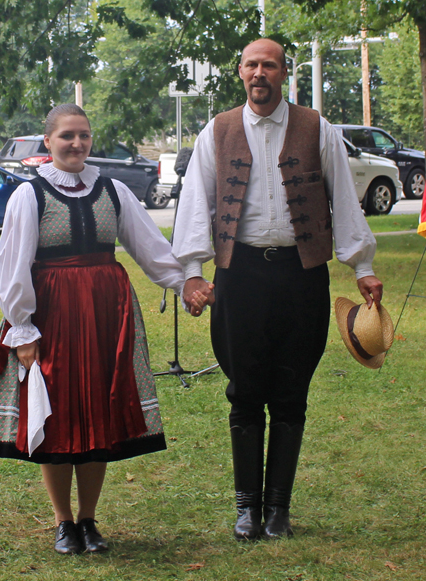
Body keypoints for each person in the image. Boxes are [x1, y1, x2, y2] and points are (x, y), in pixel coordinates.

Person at [172, 39, 383, 541]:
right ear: (240, 72)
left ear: (285, 73)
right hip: (239, 275)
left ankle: (278, 512)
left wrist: (363, 266)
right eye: (252, 65)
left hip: (300, 274)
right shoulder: (218, 131)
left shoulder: (317, 129)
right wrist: (194, 271)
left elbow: (346, 203)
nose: (259, 72)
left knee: (291, 394)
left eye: (269, 65)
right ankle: (246, 509)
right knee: (244, 392)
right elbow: (195, 201)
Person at [0, 103, 207, 555]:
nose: (76, 143)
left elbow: (150, 248)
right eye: (67, 136)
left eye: (83, 135)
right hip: (52, 316)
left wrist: (185, 285)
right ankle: (64, 522)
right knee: (56, 413)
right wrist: (22, 329)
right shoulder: (30, 195)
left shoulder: (114, 190)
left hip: (106, 314)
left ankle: (89, 519)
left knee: (100, 409)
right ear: (49, 142)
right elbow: (12, 266)